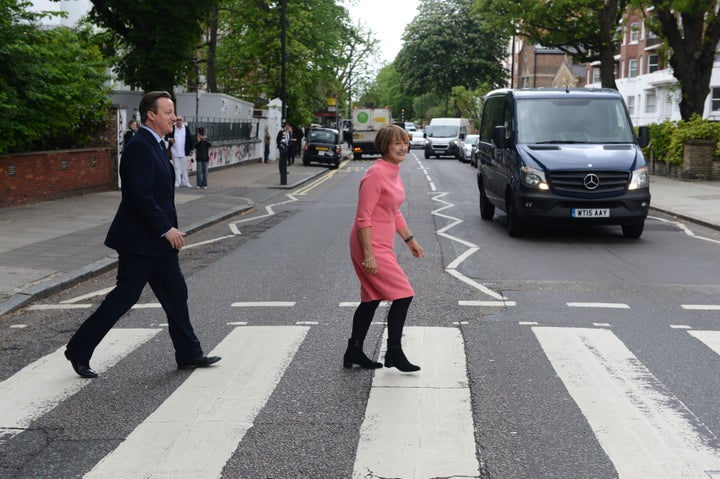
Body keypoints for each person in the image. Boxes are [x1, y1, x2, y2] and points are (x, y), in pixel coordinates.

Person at [64, 91, 221, 378]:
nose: (174, 117)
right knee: (124, 297)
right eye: (168, 112)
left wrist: (167, 230)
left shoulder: (157, 145)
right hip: (140, 241)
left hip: (158, 244)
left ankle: (189, 353)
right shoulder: (139, 146)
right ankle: (78, 349)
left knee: (176, 294)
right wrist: (166, 228)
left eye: (173, 112)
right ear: (151, 115)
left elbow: (159, 196)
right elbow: (140, 195)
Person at [344, 124, 424, 372]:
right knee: (404, 293)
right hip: (369, 243)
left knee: (371, 299)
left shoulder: (393, 171)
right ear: (384, 146)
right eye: (397, 143)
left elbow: (393, 210)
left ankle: (354, 351)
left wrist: (410, 240)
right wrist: (368, 254)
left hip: (383, 243)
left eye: (405, 142)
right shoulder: (375, 174)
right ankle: (394, 353)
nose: (403, 147)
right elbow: (363, 218)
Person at [166, 116, 195, 188]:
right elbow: (166, 137)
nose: (178, 121)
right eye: (177, 120)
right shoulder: (172, 128)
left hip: (183, 151)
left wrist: (191, 149)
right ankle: (177, 181)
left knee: (184, 167)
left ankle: (186, 181)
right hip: (175, 150)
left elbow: (190, 138)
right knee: (176, 167)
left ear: (182, 121)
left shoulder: (186, 128)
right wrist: (170, 139)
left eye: (180, 120)